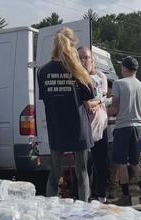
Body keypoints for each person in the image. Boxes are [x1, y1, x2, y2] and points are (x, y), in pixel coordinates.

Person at [37, 27, 100, 202]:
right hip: (78, 126)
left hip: (56, 125)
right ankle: (84, 209)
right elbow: (88, 103)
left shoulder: (42, 71)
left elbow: (47, 100)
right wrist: (101, 102)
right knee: (82, 171)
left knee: (55, 171)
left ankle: (50, 207)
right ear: (71, 45)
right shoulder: (80, 71)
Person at [108, 56, 141, 206]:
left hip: (123, 128)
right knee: (135, 162)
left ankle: (126, 196)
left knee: (121, 163)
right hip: (139, 127)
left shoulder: (119, 84)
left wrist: (100, 112)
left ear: (125, 68)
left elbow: (115, 109)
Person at [77, 46, 109, 203]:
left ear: (92, 60)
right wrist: (90, 104)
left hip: (100, 126)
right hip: (83, 127)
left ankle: (101, 196)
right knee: (83, 165)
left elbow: (102, 96)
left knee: (101, 162)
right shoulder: (76, 77)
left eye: (86, 58)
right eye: (80, 58)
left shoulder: (100, 76)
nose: (84, 61)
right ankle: (84, 196)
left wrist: (95, 104)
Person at [105, 79, 119, 199]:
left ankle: (113, 190)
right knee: (101, 165)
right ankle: (99, 188)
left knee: (114, 166)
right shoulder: (101, 101)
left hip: (114, 138)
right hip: (102, 137)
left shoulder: (117, 101)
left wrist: (109, 121)